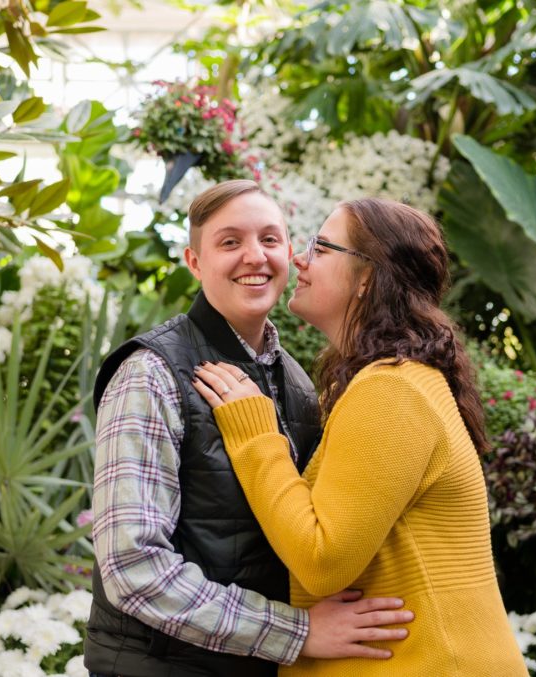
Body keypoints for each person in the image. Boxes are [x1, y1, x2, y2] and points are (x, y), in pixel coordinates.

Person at [84, 181, 414, 677]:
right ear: (194, 263)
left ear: (289, 253)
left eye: (270, 239)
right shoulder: (150, 372)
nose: (254, 257)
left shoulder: (298, 382)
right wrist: (297, 632)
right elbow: (134, 570)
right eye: (230, 242)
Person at [191, 198, 528, 675]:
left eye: (322, 248)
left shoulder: (391, 389)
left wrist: (256, 435)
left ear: (368, 277)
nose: (298, 259)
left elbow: (322, 559)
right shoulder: (388, 382)